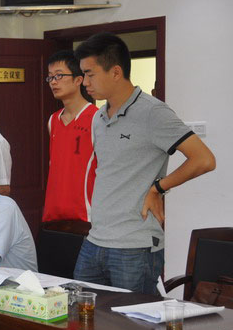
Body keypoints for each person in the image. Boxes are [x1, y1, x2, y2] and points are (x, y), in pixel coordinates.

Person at [73, 32, 215, 294]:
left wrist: (158, 188)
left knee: (132, 320)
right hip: (95, 240)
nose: (85, 83)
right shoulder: (98, 118)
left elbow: (204, 159)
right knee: (82, 314)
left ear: (116, 72)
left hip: (134, 247)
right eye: (83, 75)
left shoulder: (153, 112)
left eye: (90, 74)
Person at [42, 50, 98, 222]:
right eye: (50, 77)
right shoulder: (53, 120)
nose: (53, 82)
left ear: (78, 80)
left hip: (86, 216)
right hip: (53, 215)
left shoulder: (97, 118)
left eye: (59, 75)